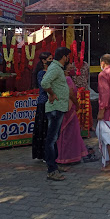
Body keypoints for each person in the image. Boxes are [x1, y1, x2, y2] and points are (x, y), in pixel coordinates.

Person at [41, 46, 71, 181]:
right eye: (67, 56)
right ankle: (51, 170)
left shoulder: (57, 68)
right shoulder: (54, 68)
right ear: (64, 57)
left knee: (54, 138)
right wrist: (52, 94)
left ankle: (55, 165)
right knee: (51, 139)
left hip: (59, 107)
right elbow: (44, 82)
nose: (68, 59)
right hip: (55, 107)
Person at [56, 64, 89, 164]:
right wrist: (77, 104)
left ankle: (66, 156)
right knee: (70, 133)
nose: (72, 69)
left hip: (64, 107)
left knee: (66, 133)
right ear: (65, 69)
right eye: (70, 67)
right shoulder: (67, 79)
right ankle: (70, 156)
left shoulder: (62, 78)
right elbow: (70, 94)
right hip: (69, 108)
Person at [31, 51, 52, 160]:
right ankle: (42, 153)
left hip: (51, 103)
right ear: (43, 61)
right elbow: (44, 86)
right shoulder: (41, 73)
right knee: (43, 129)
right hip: (44, 102)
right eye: (49, 59)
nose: (51, 61)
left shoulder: (52, 71)